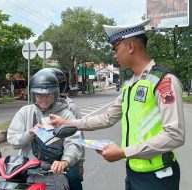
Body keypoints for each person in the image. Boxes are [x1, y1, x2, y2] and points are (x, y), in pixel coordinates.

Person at [49, 19, 185, 190]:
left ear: (130, 47)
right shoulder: (130, 85)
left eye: (115, 48)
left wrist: (123, 152)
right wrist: (68, 123)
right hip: (133, 171)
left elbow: (175, 135)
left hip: (158, 177)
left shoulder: (163, 81)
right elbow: (107, 118)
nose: (114, 54)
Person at [7, 71, 83, 190]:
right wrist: (30, 133)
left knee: (74, 179)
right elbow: (12, 140)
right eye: (39, 95)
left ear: (54, 95)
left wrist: (65, 161)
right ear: (33, 95)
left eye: (48, 95)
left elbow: (74, 141)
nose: (44, 99)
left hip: (58, 166)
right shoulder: (25, 112)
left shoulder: (66, 114)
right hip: (29, 166)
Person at [35, 68, 85, 188]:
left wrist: (80, 162)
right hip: (43, 155)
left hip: (66, 153)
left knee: (73, 178)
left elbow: (78, 135)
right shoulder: (36, 105)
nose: (44, 94)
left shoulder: (70, 107)